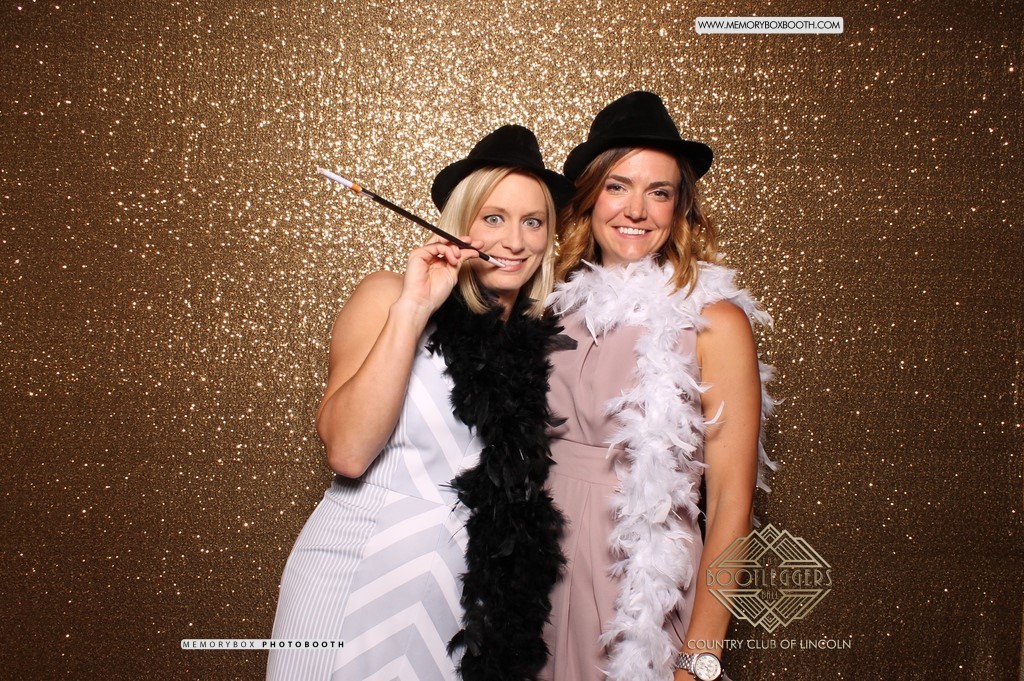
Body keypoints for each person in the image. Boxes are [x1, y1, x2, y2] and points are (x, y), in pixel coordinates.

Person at [267, 125, 573, 681]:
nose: (515, 240)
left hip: (459, 596)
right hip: (355, 566)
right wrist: (414, 308)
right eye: (494, 218)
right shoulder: (388, 295)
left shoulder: (541, 347)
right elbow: (348, 453)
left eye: (533, 222)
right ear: (458, 226)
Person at [541, 92, 775, 681]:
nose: (636, 210)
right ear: (590, 198)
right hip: (536, 570)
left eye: (659, 192)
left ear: (680, 208)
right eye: (618, 186)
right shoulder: (551, 307)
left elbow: (731, 502)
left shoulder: (714, 321)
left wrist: (700, 661)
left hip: (639, 584)